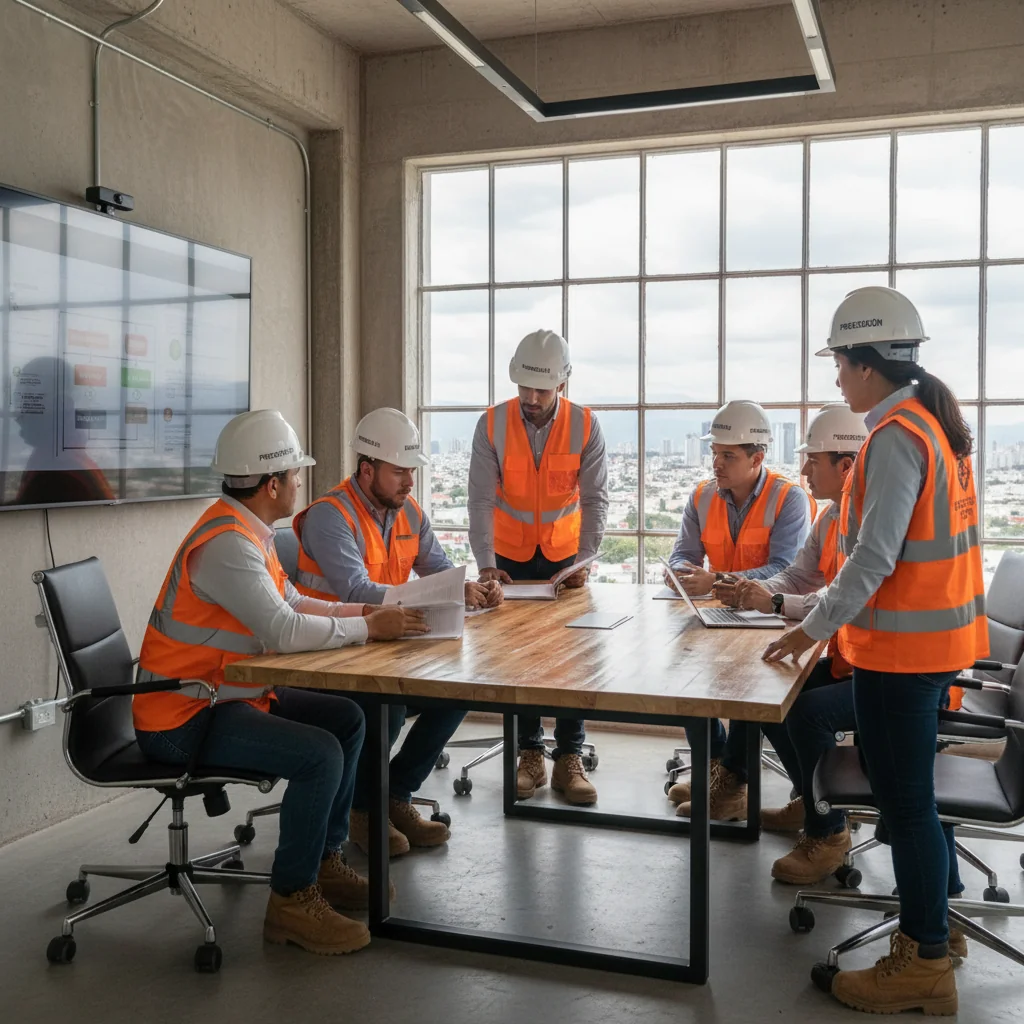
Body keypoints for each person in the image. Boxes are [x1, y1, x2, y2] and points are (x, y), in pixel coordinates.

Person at [764, 286, 987, 1016]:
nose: (836, 378)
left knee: (907, 807)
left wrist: (810, 628)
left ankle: (924, 960)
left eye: (839, 363)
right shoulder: (934, 426)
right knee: (912, 804)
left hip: (902, 655)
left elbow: (872, 558)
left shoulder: (895, 437)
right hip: (930, 647)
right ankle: (938, 932)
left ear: (866, 363)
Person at [133, 409, 427, 957]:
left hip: (226, 695)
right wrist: (367, 628)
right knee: (319, 753)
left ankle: (324, 859)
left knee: (347, 719)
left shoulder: (248, 530)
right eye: (294, 474)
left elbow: (292, 601)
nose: (298, 483)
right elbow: (283, 629)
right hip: (181, 717)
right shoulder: (228, 545)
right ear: (272, 484)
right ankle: (292, 901)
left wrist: (365, 611)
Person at [293, 407, 502, 857]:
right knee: (383, 707)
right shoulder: (330, 516)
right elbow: (356, 590)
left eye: (412, 471)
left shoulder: (410, 513)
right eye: (400, 471)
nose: (410, 481)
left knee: (460, 689)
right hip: (329, 651)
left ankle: (395, 794)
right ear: (367, 470)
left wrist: (468, 588)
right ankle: (363, 810)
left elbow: (439, 570)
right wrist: (435, 595)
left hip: (383, 645)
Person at [710, 404, 866, 885]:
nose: (804, 471)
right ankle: (811, 798)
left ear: (846, 465)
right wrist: (755, 590)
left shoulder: (866, 522)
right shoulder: (833, 516)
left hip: (885, 670)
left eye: (812, 461)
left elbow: (841, 597)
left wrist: (776, 603)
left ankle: (829, 830)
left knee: (804, 711)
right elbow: (800, 575)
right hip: (852, 658)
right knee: (768, 690)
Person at [468, 329, 609, 805]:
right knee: (516, 656)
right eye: (524, 387)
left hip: (565, 559)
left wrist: (585, 559)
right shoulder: (491, 424)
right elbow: (480, 499)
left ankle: (569, 757)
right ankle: (529, 753)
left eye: (541, 390)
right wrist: (486, 565)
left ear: (561, 384)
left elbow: (595, 499)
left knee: (574, 655)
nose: (530, 398)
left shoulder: (585, 425)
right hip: (507, 559)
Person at [665, 399, 815, 820]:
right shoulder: (701, 495)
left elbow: (786, 569)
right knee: (684, 675)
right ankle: (718, 767)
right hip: (718, 615)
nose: (717, 463)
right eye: (714, 453)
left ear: (757, 458)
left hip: (774, 616)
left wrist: (716, 579)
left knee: (756, 682)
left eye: (728, 456)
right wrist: (680, 573)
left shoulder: (789, 499)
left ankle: (732, 778)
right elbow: (682, 553)